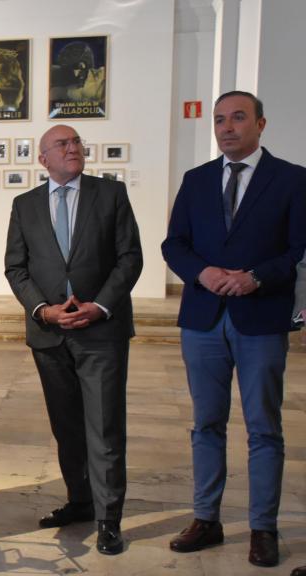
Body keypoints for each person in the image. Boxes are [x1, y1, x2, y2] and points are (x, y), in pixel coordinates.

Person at [161, 91, 306, 568]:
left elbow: (299, 250)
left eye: (238, 118)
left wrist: (256, 276)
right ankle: (206, 518)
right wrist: (201, 274)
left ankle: (262, 528)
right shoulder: (197, 180)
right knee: (206, 424)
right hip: (202, 319)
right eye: (220, 119)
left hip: (260, 318)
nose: (227, 127)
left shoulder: (292, 180)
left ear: (260, 124)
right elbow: (174, 244)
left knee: (264, 428)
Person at [4, 124, 143, 556]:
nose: (73, 148)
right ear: (42, 158)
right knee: (66, 428)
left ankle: (109, 519)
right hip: (49, 335)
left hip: (99, 331)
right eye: (62, 144)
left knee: (103, 427)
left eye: (76, 142)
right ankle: (80, 501)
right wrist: (42, 310)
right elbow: (16, 267)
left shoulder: (110, 195)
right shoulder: (24, 205)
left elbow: (129, 257)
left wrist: (99, 306)